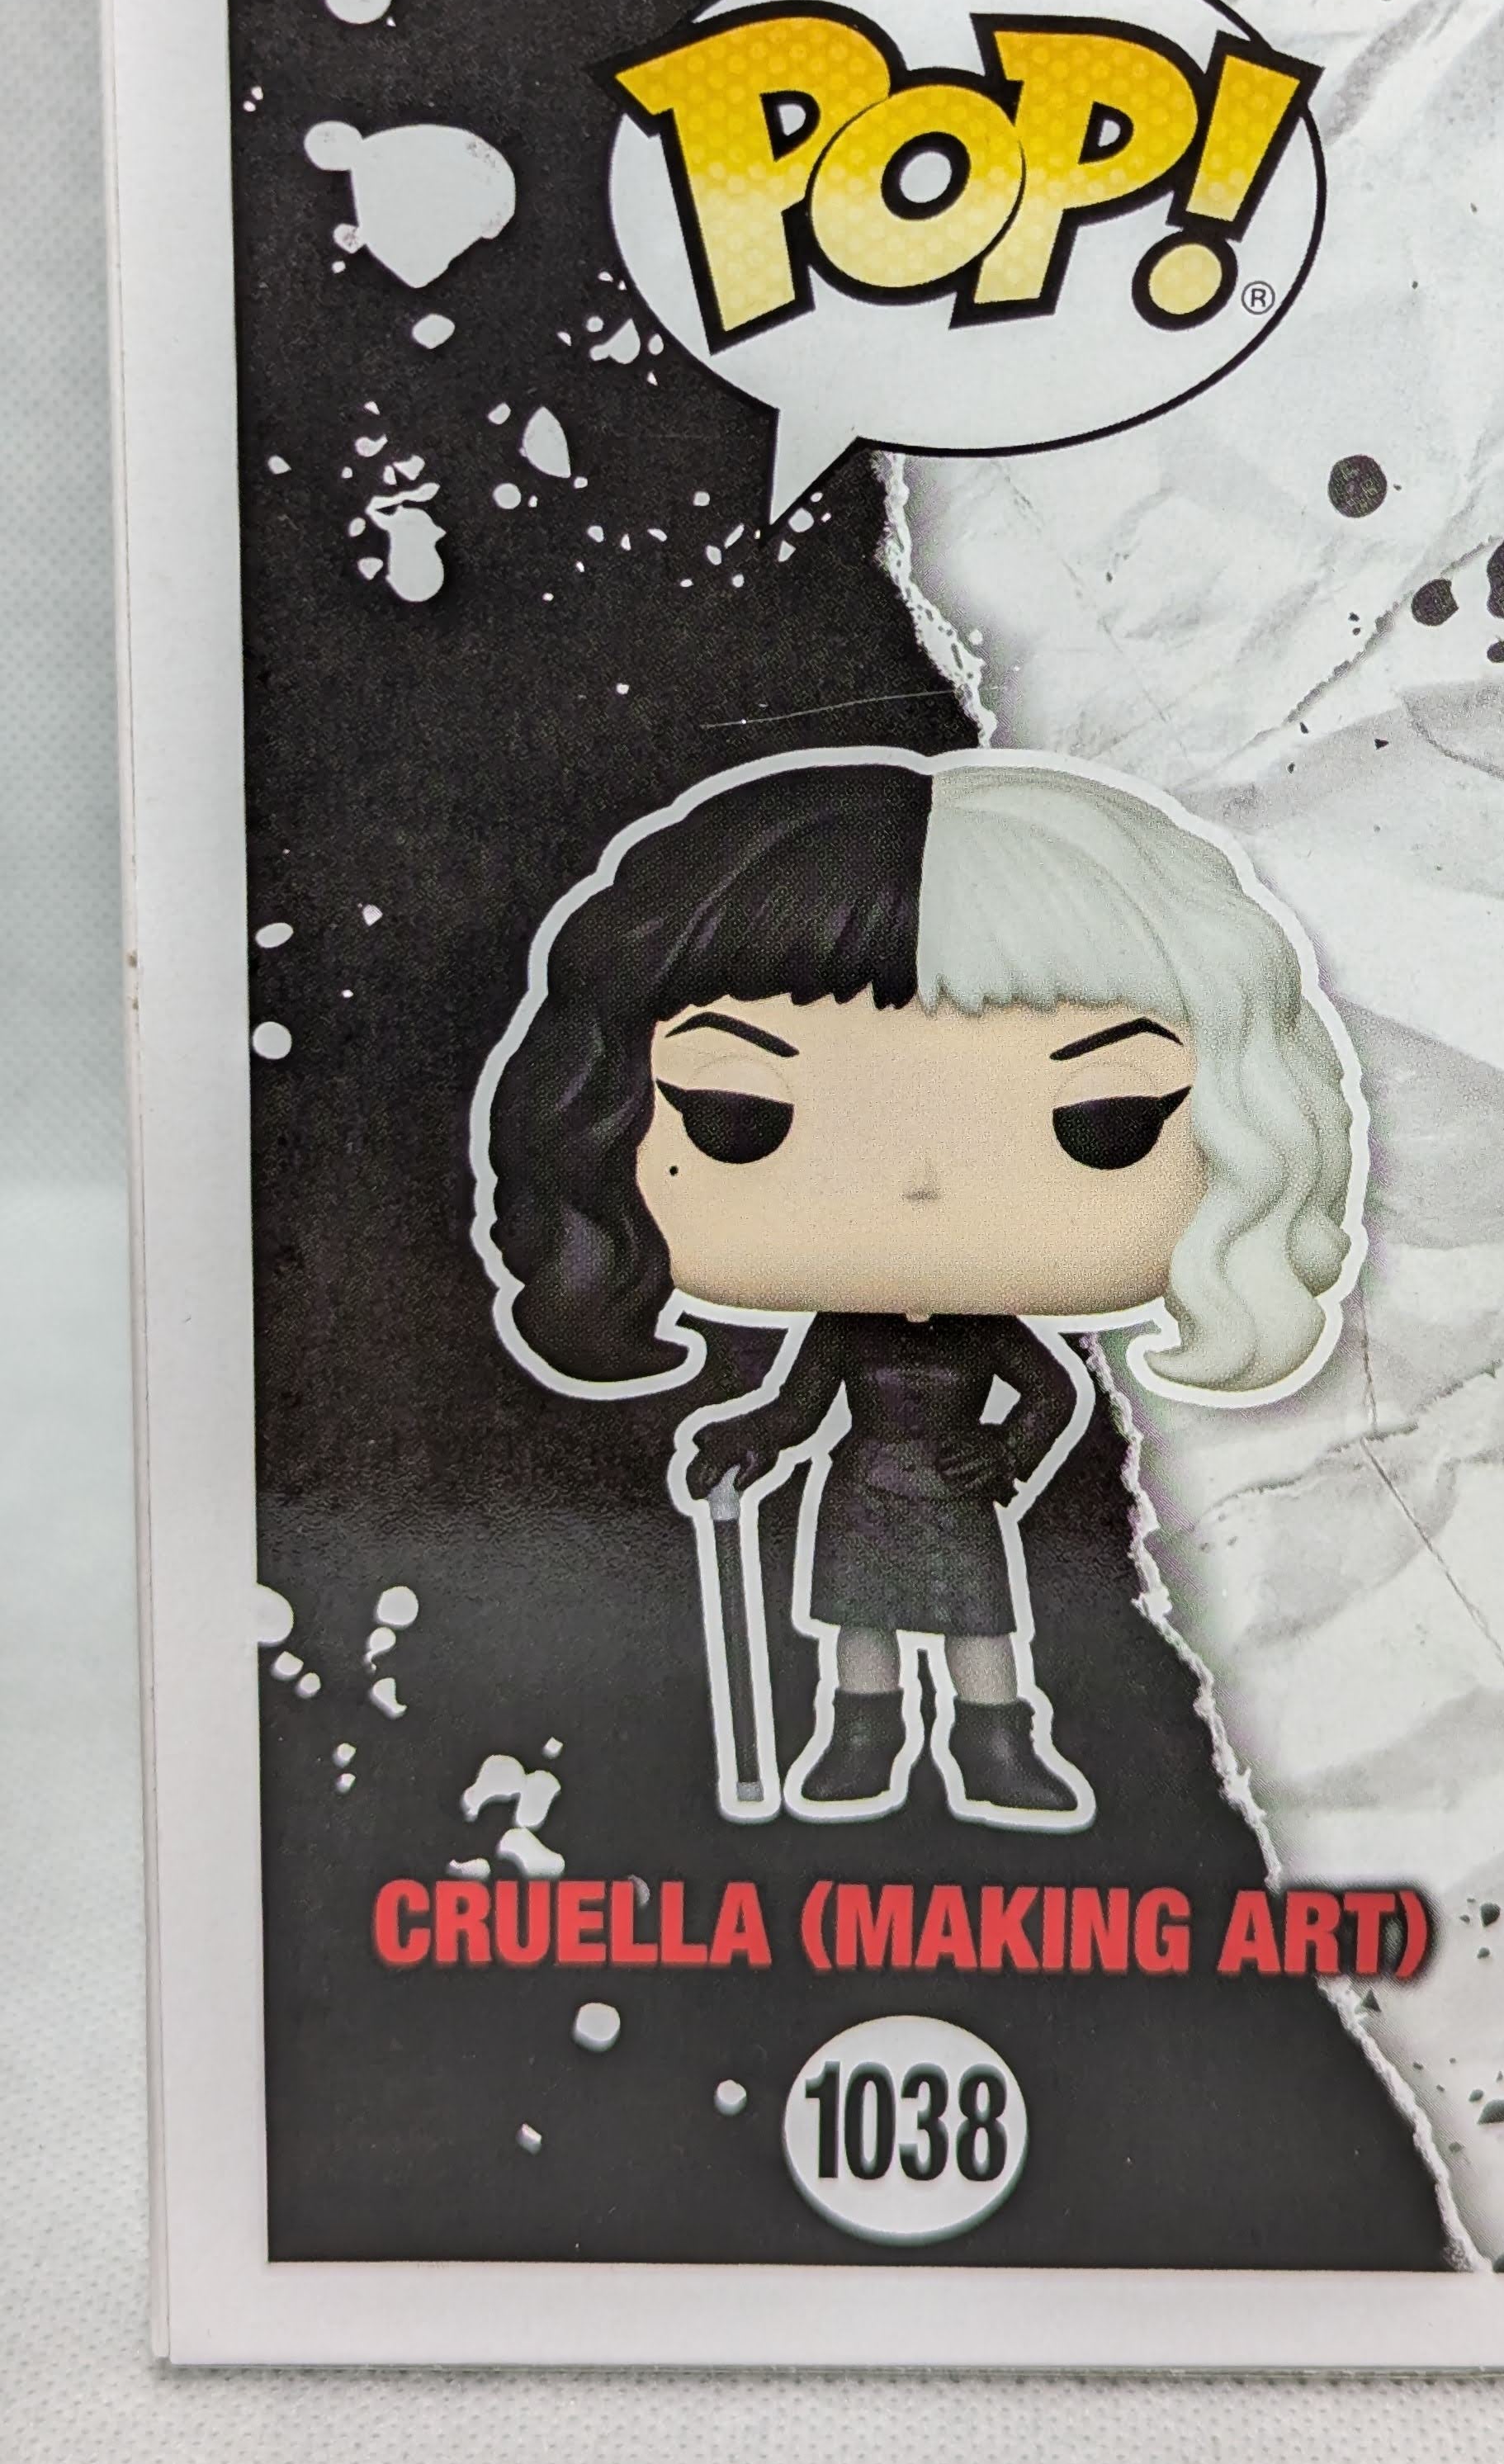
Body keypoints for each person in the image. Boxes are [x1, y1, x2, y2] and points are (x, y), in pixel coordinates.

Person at [476, 748, 1362, 1824]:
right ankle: (864, 1739)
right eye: (741, 1116)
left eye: (1102, 1124)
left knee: (981, 1631)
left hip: (953, 1491)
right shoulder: (845, 1331)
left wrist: (1008, 1453)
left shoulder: (986, 1334)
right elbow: (798, 1403)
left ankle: (998, 1747)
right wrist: (750, 1437)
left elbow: (1051, 1393)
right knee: (860, 1629)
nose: (921, 1187)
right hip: (861, 1490)